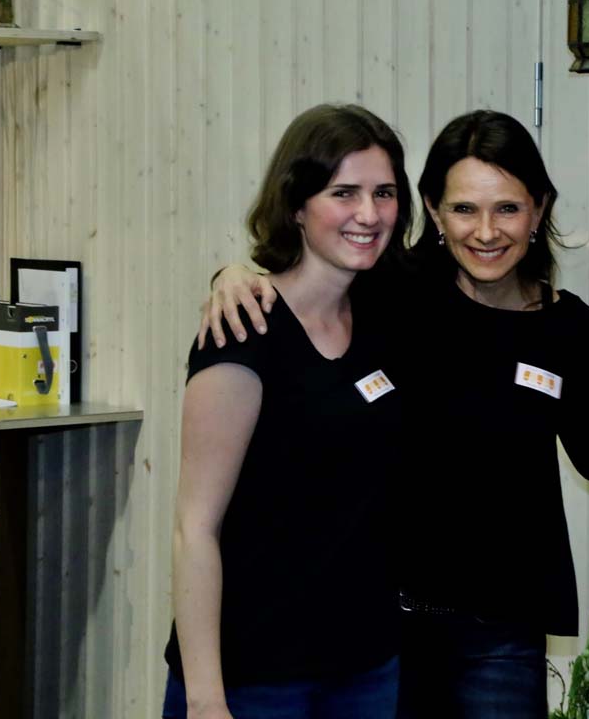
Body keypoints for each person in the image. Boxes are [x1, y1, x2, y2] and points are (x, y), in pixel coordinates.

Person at [201, 110, 589, 718]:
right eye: (464, 209)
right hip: (379, 623)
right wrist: (234, 276)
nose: (486, 232)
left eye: (507, 208)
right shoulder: (393, 293)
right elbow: (302, 288)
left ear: (539, 209)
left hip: (500, 634)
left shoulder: (563, 323)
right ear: (435, 212)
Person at [165, 104, 413, 719]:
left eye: (383, 193)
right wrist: (206, 700)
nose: (368, 213)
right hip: (254, 679)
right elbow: (195, 529)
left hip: (365, 671)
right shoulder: (243, 331)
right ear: (296, 205)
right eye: (343, 193)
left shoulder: (385, 315)